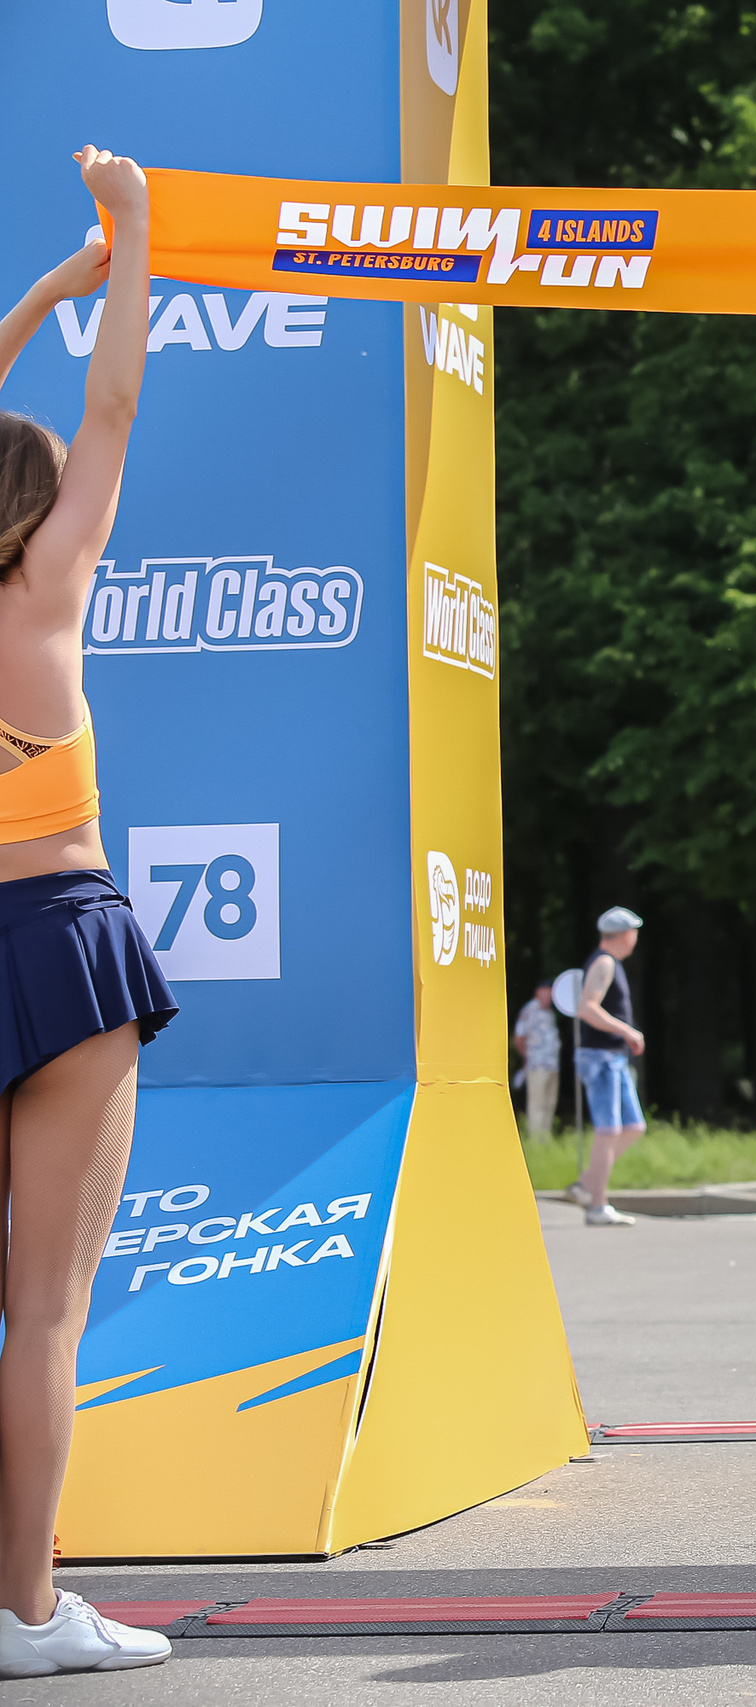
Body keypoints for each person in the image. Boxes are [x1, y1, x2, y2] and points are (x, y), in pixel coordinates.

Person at [0, 148, 178, 1673]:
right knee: (42, 1314)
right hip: (56, 938)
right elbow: (110, 407)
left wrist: (34, 297)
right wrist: (130, 247)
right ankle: (28, 1610)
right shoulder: (51, 581)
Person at [569, 907, 648, 1226]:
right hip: (600, 1057)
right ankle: (597, 1206)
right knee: (609, 1131)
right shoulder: (603, 962)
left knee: (632, 1127)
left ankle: (586, 1185)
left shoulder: (610, 963)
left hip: (612, 1057)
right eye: (635, 932)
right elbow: (586, 1009)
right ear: (627, 934)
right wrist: (627, 1030)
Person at [513, 986, 560, 1138]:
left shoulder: (549, 1012)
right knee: (537, 1105)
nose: (550, 996)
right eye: (547, 991)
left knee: (549, 1104)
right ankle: (535, 1142)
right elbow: (519, 1037)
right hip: (537, 1065)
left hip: (552, 1065)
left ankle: (544, 1140)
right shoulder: (530, 1010)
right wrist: (527, 1058)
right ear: (538, 992)